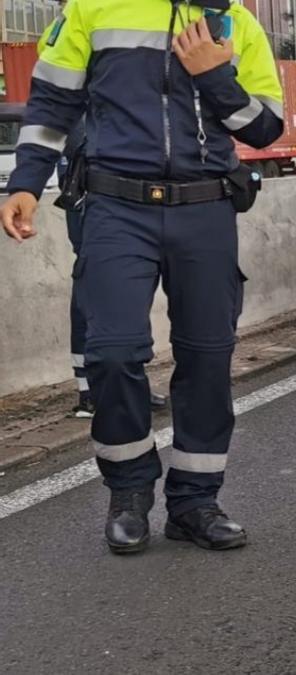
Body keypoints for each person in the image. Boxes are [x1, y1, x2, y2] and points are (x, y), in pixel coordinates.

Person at [2, 0, 284, 554]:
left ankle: (195, 502)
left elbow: (266, 128)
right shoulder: (93, 8)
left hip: (205, 208)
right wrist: (26, 183)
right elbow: (52, 102)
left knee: (207, 355)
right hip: (114, 207)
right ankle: (129, 491)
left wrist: (214, 75)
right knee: (110, 352)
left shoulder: (236, 21)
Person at [36, 9, 168, 420]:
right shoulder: (71, 27)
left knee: (120, 291)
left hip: (104, 173)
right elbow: (63, 108)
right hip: (90, 179)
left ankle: (119, 383)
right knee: (95, 283)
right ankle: (90, 388)